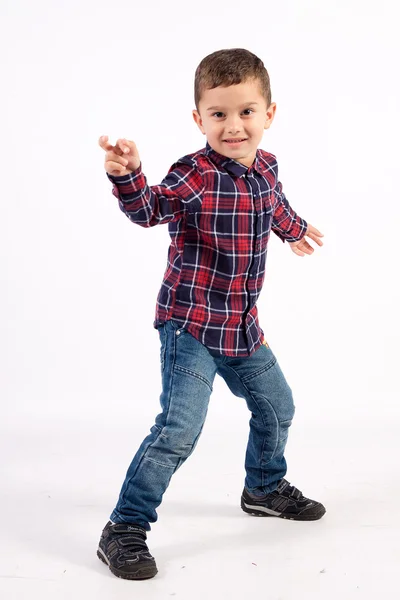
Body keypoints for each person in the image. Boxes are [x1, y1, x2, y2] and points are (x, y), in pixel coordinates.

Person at [97, 48, 325, 581]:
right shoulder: (194, 175)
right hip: (191, 324)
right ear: (199, 119)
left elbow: (274, 203)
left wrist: (294, 230)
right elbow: (150, 208)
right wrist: (130, 176)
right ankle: (124, 527)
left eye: (246, 111)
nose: (234, 126)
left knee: (278, 406)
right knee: (180, 429)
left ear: (270, 113)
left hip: (241, 325)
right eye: (219, 114)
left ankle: (264, 488)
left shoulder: (267, 166)